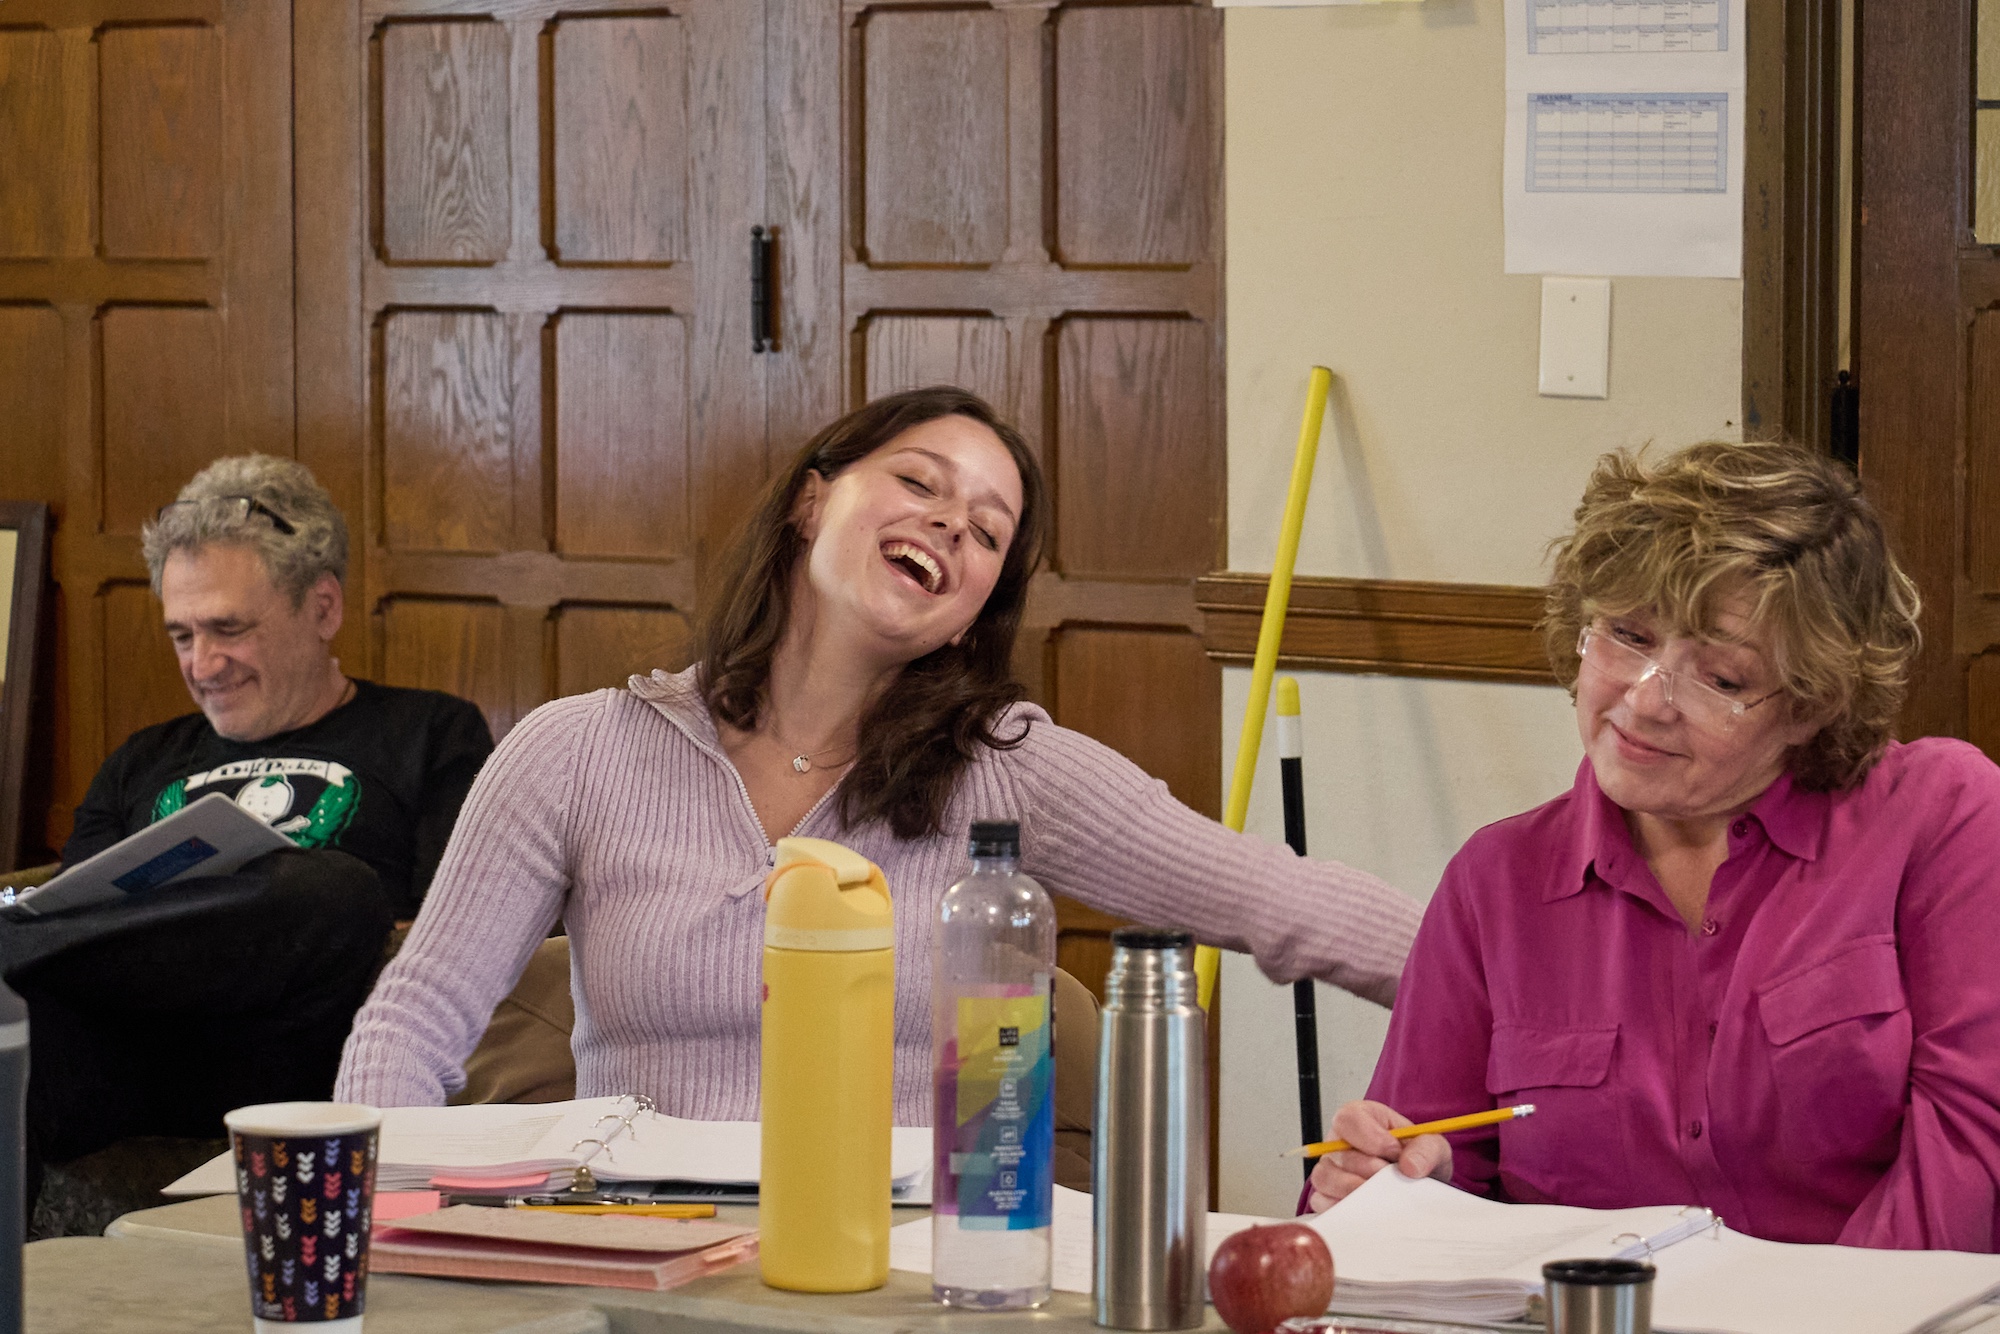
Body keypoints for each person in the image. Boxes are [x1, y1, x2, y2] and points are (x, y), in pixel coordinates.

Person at [336, 386, 1424, 1121]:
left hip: (907, 1280)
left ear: (970, 613)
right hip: (640, 1259)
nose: (952, 523)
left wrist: (1522, 988)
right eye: (919, 482)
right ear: (812, 500)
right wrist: (367, 1246)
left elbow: (1282, 901)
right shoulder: (575, 750)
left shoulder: (1010, 767)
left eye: (988, 531)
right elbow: (416, 1017)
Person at [1308, 441, 2000, 1252]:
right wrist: (1386, 1189)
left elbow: (1971, 1149)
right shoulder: (1494, 881)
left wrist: (1819, 1307)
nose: (1645, 702)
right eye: (1627, 635)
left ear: (1812, 706)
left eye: (1722, 679)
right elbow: (1419, 1177)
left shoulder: (1942, 815)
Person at [2, 455, 492, 1202]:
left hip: (287, 1045)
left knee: (334, 891)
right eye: (181, 636)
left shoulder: (430, 733)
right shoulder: (142, 760)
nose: (203, 665)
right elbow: (75, 931)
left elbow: (450, 936)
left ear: (322, 608)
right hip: (121, 1051)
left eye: (228, 629)